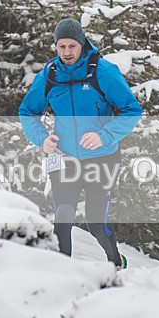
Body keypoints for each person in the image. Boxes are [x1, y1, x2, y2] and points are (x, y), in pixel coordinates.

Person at [19, 18, 142, 268]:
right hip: (64, 158)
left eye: (72, 46)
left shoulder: (102, 71)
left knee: (95, 224)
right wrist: (42, 139)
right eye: (61, 46)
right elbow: (28, 111)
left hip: (102, 157)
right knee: (62, 219)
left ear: (82, 43)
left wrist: (104, 136)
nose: (67, 52)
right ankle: (64, 276)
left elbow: (132, 110)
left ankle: (115, 261)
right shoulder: (50, 75)